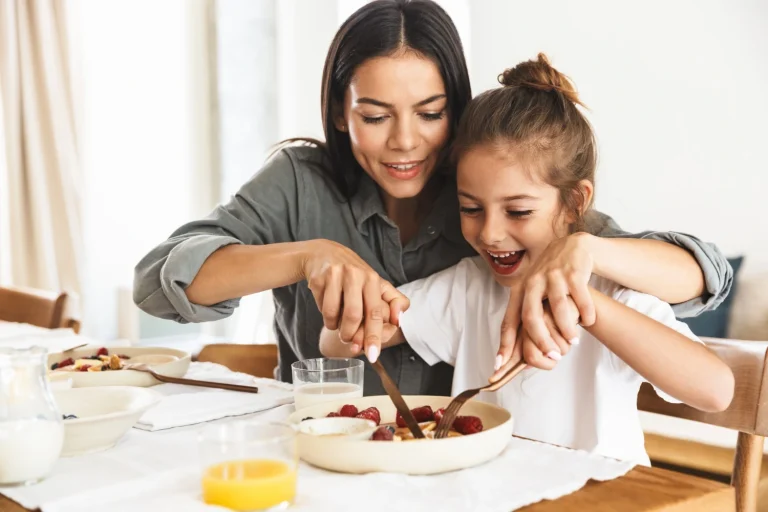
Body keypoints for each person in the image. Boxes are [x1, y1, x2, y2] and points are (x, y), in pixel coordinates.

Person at [133, 0, 732, 397]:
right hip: (320, 461)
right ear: (341, 113)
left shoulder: (487, 190)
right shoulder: (298, 180)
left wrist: (589, 252)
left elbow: (700, 277)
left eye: (430, 113)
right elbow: (160, 279)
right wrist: (307, 256)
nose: (404, 142)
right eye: (374, 115)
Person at [319, 53, 734, 464]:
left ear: (575, 202)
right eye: (470, 208)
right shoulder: (468, 287)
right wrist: (359, 309)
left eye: (518, 211)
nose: (489, 233)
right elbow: (335, 343)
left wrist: (586, 308)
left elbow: (715, 391)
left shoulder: (614, 293)